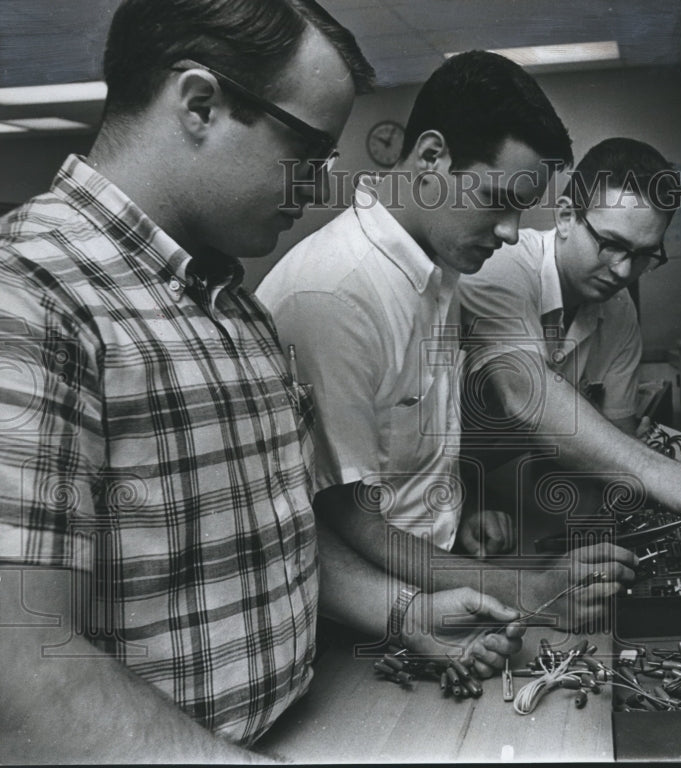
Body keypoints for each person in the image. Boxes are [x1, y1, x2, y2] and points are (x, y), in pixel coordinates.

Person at [0, 2, 522, 763]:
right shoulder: (32, 296)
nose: (316, 187)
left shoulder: (237, 314)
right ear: (200, 104)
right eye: (307, 149)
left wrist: (405, 612)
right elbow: (25, 681)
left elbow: (270, 543)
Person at [256, 51, 639, 630]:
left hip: (440, 578)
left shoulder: (441, 270)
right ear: (432, 156)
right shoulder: (335, 293)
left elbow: (408, 458)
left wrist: (458, 515)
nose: (512, 234)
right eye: (497, 201)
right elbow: (352, 525)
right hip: (366, 618)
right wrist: (530, 589)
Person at [459, 138, 681, 535]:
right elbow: (524, 391)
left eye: (643, 255)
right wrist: (667, 476)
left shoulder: (619, 310)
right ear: (566, 217)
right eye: (612, 245)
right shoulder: (503, 267)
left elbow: (617, 436)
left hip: (528, 499)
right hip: (453, 495)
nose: (622, 272)